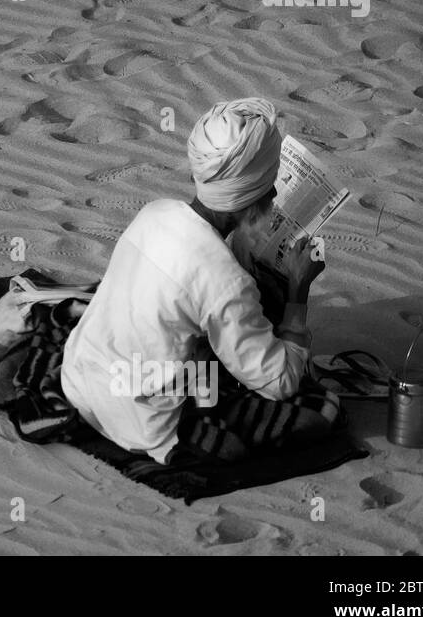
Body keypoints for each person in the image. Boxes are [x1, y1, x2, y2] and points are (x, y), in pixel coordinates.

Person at [57, 97, 333, 464]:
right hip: (139, 423)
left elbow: (198, 267)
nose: (274, 194)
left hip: (77, 382)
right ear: (260, 195)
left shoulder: (153, 213)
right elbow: (281, 383)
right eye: (270, 185)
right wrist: (298, 291)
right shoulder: (226, 282)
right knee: (324, 411)